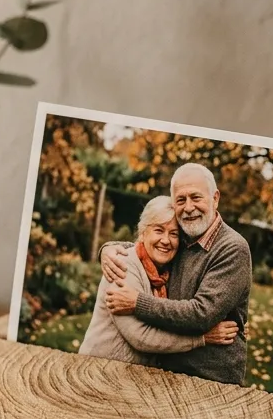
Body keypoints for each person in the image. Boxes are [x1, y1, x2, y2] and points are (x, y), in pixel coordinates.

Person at [100, 163, 252, 386]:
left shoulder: (233, 248)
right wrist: (108, 248)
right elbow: (153, 245)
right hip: (166, 370)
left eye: (196, 197)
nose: (189, 207)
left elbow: (202, 314)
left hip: (211, 378)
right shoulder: (185, 236)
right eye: (181, 200)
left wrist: (138, 302)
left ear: (215, 198)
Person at [79, 195, 239, 366]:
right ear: (142, 233)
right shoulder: (122, 266)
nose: (165, 240)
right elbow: (141, 337)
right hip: (97, 371)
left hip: (128, 376)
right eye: (158, 230)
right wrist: (201, 338)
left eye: (174, 234)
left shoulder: (167, 272)